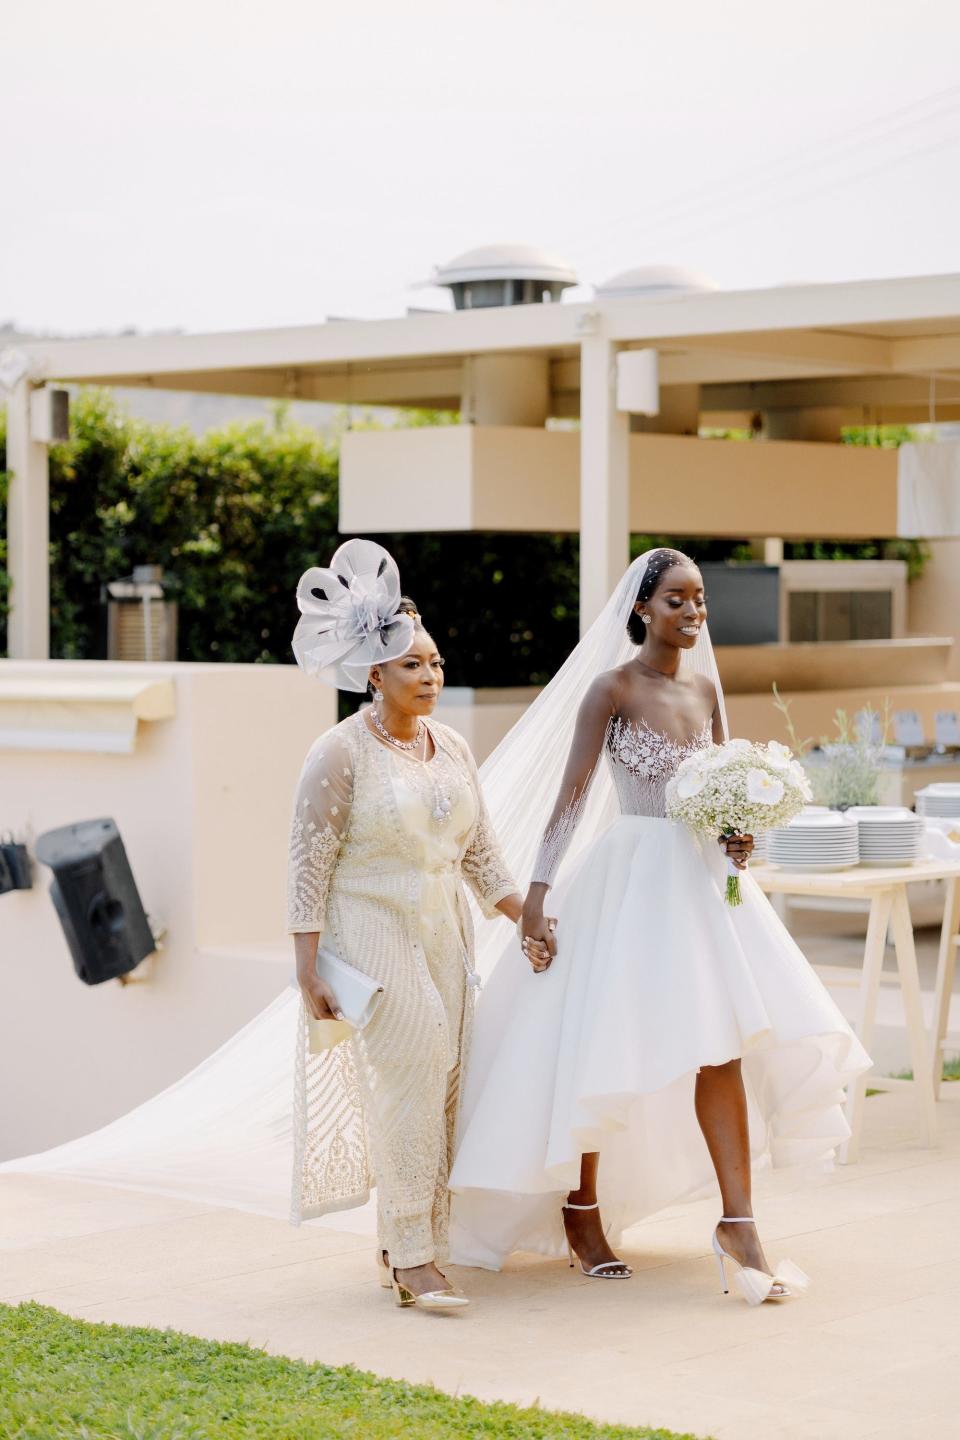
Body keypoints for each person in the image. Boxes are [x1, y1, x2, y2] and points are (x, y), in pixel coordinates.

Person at [450, 548, 872, 1305]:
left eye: (699, 599)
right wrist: (538, 896)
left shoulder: (708, 689)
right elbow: (573, 799)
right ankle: (581, 1210)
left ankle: (739, 1225)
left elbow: (725, 798)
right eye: (675, 599)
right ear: (640, 609)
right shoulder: (610, 689)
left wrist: (740, 836)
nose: (692, 612)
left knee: (726, 1046)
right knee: (597, 1041)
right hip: (632, 878)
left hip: (703, 884)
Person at [288, 539, 538, 1311]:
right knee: (418, 1060)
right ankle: (413, 1257)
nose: (429, 676)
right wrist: (307, 970)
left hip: (444, 932)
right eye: (411, 666)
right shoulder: (337, 754)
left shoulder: (453, 746)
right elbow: (308, 863)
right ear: (374, 674)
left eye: (433, 662)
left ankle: (413, 1239)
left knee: (446, 1080)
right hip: (367, 927)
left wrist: (531, 918)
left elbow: (483, 856)